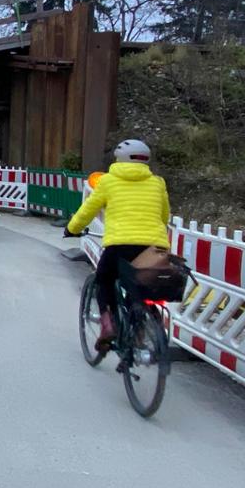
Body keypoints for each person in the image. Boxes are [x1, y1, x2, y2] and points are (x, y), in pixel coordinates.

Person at [66, 139, 171, 351]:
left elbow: (88, 210)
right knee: (142, 288)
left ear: (118, 158)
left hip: (120, 244)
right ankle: (145, 327)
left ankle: (108, 324)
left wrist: (72, 228)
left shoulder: (108, 181)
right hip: (154, 245)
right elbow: (164, 215)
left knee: (104, 279)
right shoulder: (157, 182)